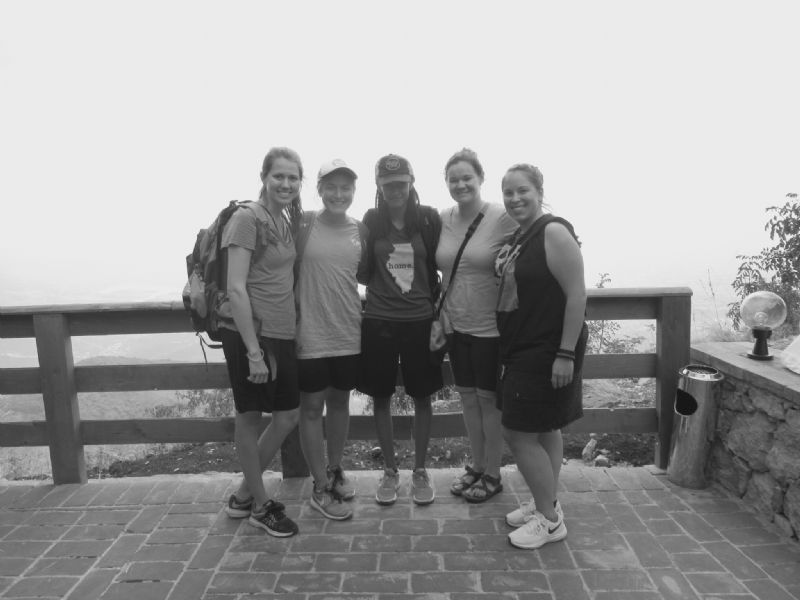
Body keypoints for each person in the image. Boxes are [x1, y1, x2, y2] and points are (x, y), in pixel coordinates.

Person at [495, 163, 588, 550]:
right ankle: (545, 501)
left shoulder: (553, 231)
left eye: (523, 191)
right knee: (546, 426)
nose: (515, 198)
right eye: (509, 192)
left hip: (548, 347)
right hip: (523, 344)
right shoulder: (521, 236)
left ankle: (549, 521)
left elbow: (577, 294)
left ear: (539, 192)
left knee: (517, 432)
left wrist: (565, 353)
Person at [220, 147, 304, 538]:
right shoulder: (246, 218)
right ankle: (259, 505)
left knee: (288, 415)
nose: (286, 183)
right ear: (264, 177)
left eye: (293, 177)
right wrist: (253, 352)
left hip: (280, 333)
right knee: (250, 418)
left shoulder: (282, 219)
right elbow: (236, 287)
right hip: (250, 335)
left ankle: (243, 495)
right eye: (279, 176)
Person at [359, 153, 443, 506]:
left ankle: (420, 470)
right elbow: (361, 269)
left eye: (401, 184)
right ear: (378, 186)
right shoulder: (371, 220)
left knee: (422, 397)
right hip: (379, 320)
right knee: (381, 397)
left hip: (420, 320)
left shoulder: (428, 219)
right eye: (388, 184)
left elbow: (443, 263)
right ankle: (390, 471)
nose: (395, 190)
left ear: (411, 183)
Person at [436, 149, 517, 503]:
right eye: (453, 179)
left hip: (489, 328)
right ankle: (477, 465)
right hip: (455, 325)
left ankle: (493, 474)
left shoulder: (501, 216)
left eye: (467, 177)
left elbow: (536, 238)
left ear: (481, 178)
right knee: (468, 400)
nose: (460, 184)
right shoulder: (443, 218)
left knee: (489, 404)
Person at [295, 159, 368, 521]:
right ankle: (320, 485)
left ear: (354, 191)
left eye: (346, 188)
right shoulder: (303, 223)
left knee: (339, 402)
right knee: (311, 408)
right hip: (309, 331)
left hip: (348, 330)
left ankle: (335, 468)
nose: (339, 194)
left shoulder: (361, 230)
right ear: (320, 189)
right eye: (331, 187)